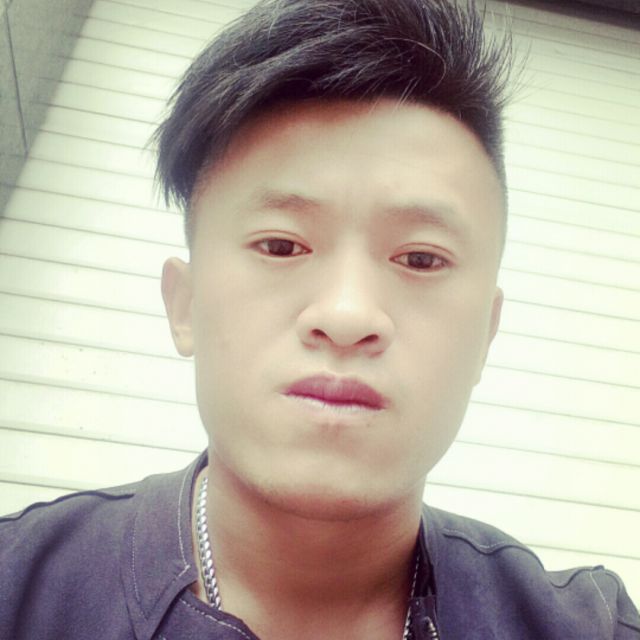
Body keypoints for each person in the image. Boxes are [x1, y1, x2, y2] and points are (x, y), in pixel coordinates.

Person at [1, 0, 638, 638]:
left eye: (420, 258)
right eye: (281, 245)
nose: (347, 315)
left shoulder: (584, 626)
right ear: (185, 304)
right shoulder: (19, 587)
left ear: (484, 338)